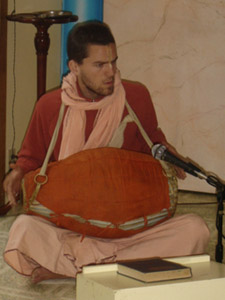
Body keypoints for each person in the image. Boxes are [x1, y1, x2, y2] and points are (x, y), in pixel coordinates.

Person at [3, 21, 210, 284]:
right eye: (100, 65)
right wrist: (18, 171)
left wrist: (171, 157)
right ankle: (120, 268)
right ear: (75, 67)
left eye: (113, 61)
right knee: (23, 230)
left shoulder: (136, 96)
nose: (111, 72)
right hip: (72, 223)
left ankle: (76, 270)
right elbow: (32, 158)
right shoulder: (49, 106)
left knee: (195, 229)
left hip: (129, 224)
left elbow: (153, 143)